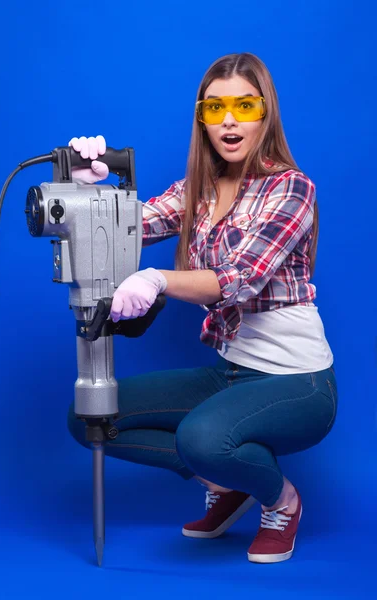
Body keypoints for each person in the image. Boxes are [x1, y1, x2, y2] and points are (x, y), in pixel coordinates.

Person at [67, 52, 338, 564]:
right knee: (90, 418)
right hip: (231, 374)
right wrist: (90, 193)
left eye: (243, 105)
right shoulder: (198, 190)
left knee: (200, 438)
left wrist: (157, 278)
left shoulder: (292, 188)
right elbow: (127, 229)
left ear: (265, 112)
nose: (229, 119)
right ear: (202, 118)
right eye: (215, 108)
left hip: (298, 382)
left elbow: (242, 278)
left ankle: (281, 502)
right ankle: (227, 481)